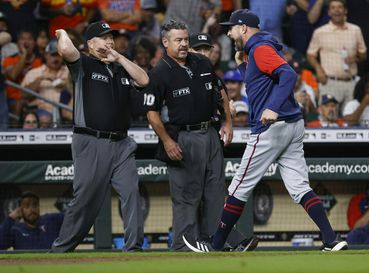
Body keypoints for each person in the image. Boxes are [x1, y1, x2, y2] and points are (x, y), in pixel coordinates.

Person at [183, 9, 348, 252]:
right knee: (300, 186)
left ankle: (216, 245)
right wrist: (242, 69)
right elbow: (260, 85)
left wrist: (272, 108)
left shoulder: (260, 48)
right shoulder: (257, 49)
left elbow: (288, 75)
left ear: (243, 28)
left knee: (239, 187)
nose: (228, 32)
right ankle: (331, 239)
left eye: (231, 28)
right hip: (292, 126)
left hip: (272, 128)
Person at [146, 20, 258, 252]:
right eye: (178, 40)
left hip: (209, 132)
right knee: (187, 194)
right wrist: (167, 141)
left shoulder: (202, 61)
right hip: (182, 137)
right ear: (165, 42)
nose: (184, 44)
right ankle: (184, 243)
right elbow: (152, 114)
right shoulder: (159, 72)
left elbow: (221, 93)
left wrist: (227, 121)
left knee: (217, 191)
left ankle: (221, 239)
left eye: (186, 39)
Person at [51, 21, 149, 252]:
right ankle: (61, 249)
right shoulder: (84, 64)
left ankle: (133, 248)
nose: (109, 41)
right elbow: (66, 50)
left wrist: (120, 58)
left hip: (122, 144)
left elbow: (144, 80)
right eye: (103, 37)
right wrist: (64, 32)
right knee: (85, 201)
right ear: (91, 43)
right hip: (90, 141)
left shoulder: (120, 66)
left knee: (132, 193)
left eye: (111, 37)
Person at [307, 0, 367, 114]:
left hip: (351, 83)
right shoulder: (320, 32)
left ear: (345, 11)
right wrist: (318, 70)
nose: (337, 10)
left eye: (340, 7)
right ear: (329, 12)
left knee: (350, 124)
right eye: (333, 8)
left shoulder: (355, 30)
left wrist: (357, 57)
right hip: (330, 83)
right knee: (328, 121)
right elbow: (310, 54)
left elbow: (363, 54)